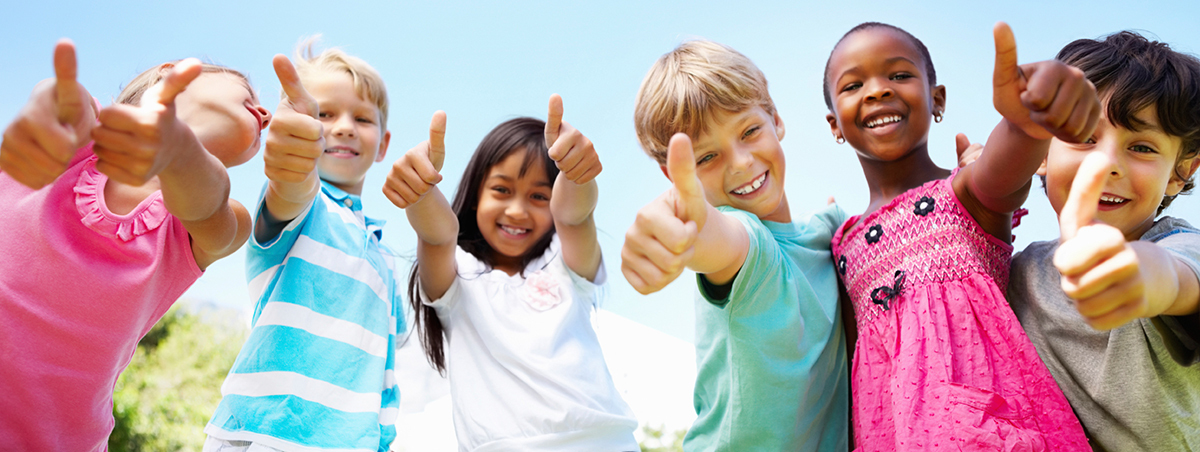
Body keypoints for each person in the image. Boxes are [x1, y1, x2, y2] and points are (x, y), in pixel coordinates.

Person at [822, 22, 1097, 450]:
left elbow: (1004, 171)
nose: (877, 91)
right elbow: (854, 358)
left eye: (898, 75)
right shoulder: (843, 245)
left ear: (937, 99)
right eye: (853, 85)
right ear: (834, 124)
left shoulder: (964, 192)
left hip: (989, 431)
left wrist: (1027, 123)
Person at [0, 40, 270, 451]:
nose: (265, 113)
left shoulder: (213, 220)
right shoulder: (82, 143)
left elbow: (207, 203)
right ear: (172, 72)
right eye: (247, 92)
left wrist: (180, 152)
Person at [621, 40, 848, 451]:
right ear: (676, 174)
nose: (740, 161)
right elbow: (719, 240)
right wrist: (676, 228)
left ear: (775, 118)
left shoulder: (829, 232)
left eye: (749, 131)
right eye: (707, 157)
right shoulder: (750, 244)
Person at [385, 96, 637, 451]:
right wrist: (421, 192)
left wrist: (576, 174)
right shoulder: (458, 281)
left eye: (538, 195)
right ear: (475, 195)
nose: (517, 211)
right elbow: (438, 234)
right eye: (502, 190)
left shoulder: (565, 266)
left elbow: (574, 215)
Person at [204, 41, 403, 452]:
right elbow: (290, 190)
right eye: (324, 114)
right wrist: (291, 167)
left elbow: (384, 361)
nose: (344, 126)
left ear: (383, 144)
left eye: (362, 118)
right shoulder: (305, 204)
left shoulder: (384, 256)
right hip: (264, 435)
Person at [1007, 31, 1200, 451]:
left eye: (1143, 147)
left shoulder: (1180, 246)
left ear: (1179, 173)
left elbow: (1177, 275)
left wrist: (1143, 276)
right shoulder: (1017, 274)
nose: (1106, 163)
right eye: (1084, 137)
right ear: (1041, 152)